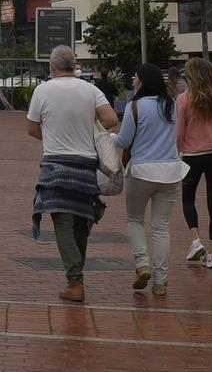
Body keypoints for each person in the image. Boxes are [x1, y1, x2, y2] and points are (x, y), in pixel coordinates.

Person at [27, 46, 120, 302]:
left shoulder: (42, 90)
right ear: (75, 66)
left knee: (63, 223)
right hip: (85, 165)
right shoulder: (90, 90)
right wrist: (87, 131)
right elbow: (111, 119)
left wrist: (55, 136)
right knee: (81, 221)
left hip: (56, 164)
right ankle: (76, 279)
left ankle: (75, 281)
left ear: (52, 67)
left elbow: (32, 128)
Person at [114, 63, 185, 298]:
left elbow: (124, 141)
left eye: (135, 77)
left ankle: (142, 263)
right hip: (170, 173)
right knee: (161, 228)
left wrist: (107, 137)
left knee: (134, 220)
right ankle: (161, 281)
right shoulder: (172, 105)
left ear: (143, 81)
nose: (133, 80)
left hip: (141, 172)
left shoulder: (134, 106)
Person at [176, 56, 212, 270]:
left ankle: (195, 239)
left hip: (191, 156)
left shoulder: (184, 99)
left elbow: (179, 132)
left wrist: (177, 153)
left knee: (188, 199)